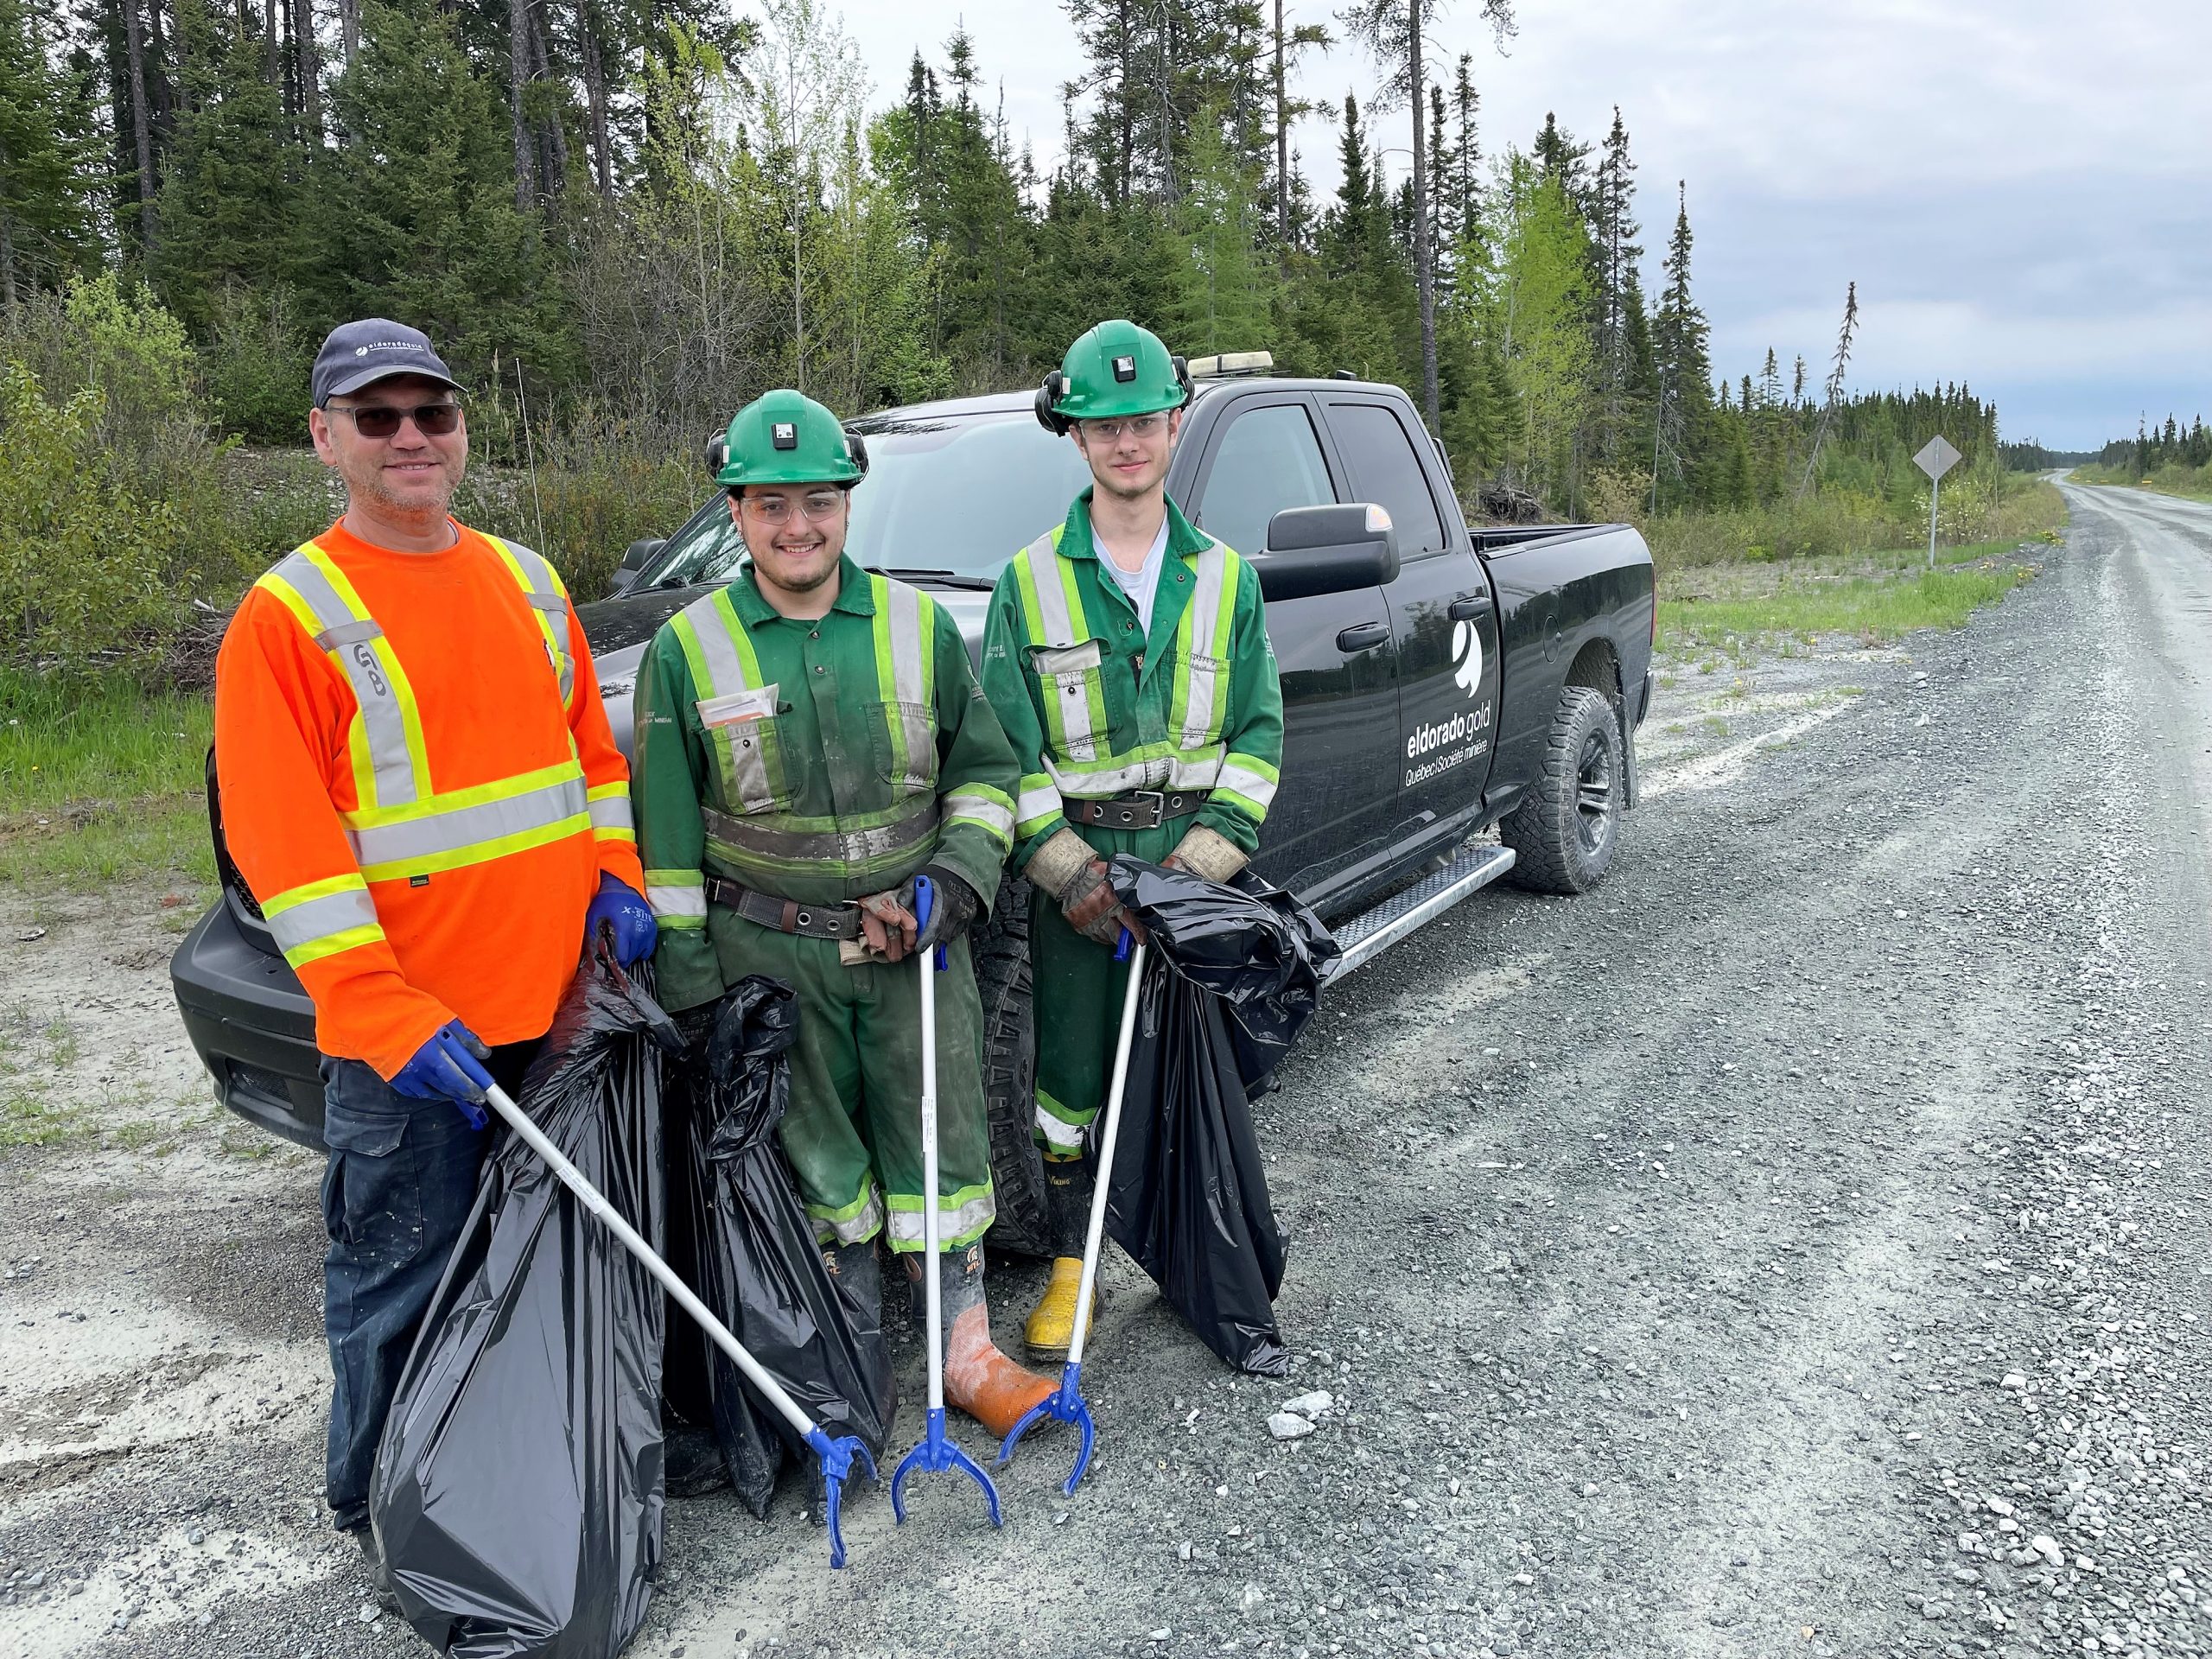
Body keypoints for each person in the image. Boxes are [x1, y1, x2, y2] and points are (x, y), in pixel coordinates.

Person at [213, 320, 656, 1600]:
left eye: (433, 413)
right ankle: (384, 1508)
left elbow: (591, 762)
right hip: (413, 1047)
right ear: (326, 438)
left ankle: (530, 1481)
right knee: (400, 1280)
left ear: (462, 429)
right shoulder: (290, 618)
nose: (411, 437)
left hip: (556, 1018)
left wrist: (617, 875)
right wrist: (383, 1014)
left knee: (551, 1270)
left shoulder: (529, 582)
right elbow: (287, 853)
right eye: (378, 417)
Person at [631, 388, 1057, 1438]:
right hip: (769, 965)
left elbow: (986, 775)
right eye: (771, 504)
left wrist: (955, 881)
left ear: (848, 504)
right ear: (735, 512)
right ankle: (846, 1362)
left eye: (818, 501)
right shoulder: (686, 652)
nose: (798, 526)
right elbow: (666, 840)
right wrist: (693, 987)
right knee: (814, 1162)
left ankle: (966, 1356)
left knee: (943, 1148)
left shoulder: (919, 629)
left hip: (916, 954)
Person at [981, 319, 1285, 1361]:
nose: (1126, 441)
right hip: (1084, 891)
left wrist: (1197, 875)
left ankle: (1194, 1245)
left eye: (1144, 420)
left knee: (1192, 1075)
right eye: (1104, 426)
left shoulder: (1227, 580)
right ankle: (1076, 1268)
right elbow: (1004, 753)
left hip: (1190, 886)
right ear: (1074, 436)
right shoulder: (1028, 584)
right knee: (1066, 1087)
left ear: (1175, 423)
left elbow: (1257, 738)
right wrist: (1069, 874)